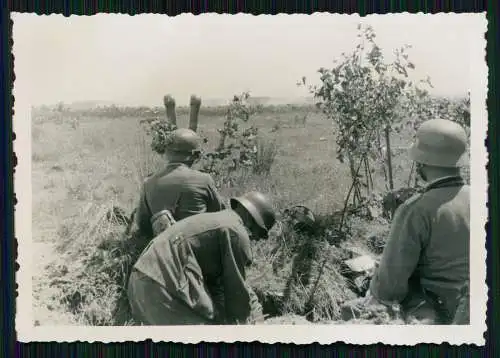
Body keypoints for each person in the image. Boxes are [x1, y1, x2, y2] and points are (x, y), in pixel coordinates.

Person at [363, 118, 470, 324]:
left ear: (421, 162)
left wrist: (376, 283)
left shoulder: (415, 209)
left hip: (440, 312)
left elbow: (389, 288)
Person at [127, 191, 277, 325]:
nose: (257, 239)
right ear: (252, 219)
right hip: (161, 287)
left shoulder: (219, 220)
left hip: (140, 282)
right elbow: (235, 291)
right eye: (260, 232)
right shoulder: (236, 232)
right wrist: (248, 325)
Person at [134, 128, 226, 240]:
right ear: (195, 155)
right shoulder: (203, 180)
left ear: (167, 153)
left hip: (163, 250)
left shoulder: (148, 182)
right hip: (198, 249)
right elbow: (221, 215)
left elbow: (143, 226)